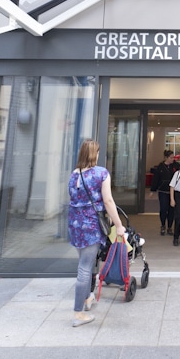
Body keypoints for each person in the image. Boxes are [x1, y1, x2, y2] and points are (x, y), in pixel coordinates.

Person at [67, 138, 125, 327]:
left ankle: (87, 298)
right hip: (91, 226)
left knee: (86, 263)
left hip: (75, 225)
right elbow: (108, 202)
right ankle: (78, 314)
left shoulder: (74, 175)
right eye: (98, 151)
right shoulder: (101, 173)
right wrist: (119, 225)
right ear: (95, 153)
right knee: (85, 268)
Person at [151, 149, 178, 235]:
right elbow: (156, 179)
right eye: (171, 157)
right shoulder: (160, 167)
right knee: (163, 209)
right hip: (163, 191)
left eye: (173, 157)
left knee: (171, 210)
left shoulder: (176, 166)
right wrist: (153, 190)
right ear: (166, 158)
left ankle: (170, 227)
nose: (172, 159)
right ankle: (163, 225)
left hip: (173, 192)